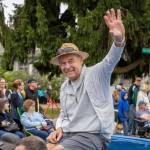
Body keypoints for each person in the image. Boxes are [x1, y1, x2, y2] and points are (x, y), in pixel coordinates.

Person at [47, 8, 125, 150]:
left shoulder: (96, 74)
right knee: (43, 147)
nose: (67, 66)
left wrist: (119, 39)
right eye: (63, 63)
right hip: (69, 135)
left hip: (93, 136)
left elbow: (111, 59)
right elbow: (64, 114)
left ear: (81, 60)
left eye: (71, 61)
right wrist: (58, 128)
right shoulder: (65, 86)